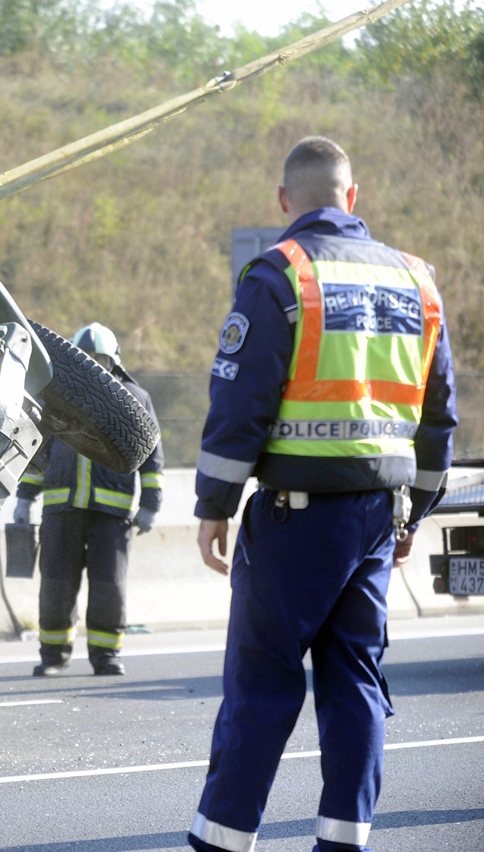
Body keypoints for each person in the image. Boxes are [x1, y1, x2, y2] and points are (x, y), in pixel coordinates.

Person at [187, 137, 457, 852]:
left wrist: (214, 502)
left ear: (285, 201)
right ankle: (344, 841)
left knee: (263, 685)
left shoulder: (282, 274)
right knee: (356, 684)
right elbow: (439, 416)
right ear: (353, 197)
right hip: (376, 519)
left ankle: (222, 841)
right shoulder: (417, 281)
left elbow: (241, 399)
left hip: (293, 518)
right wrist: (417, 510)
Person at [15, 323, 164, 677]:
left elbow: (152, 457)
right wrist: (24, 498)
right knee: (56, 585)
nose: (94, 365)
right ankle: (53, 656)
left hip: (112, 512)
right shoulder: (57, 397)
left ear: (113, 362)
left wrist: (150, 504)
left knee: (108, 586)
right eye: (89, 358)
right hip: (61, 508)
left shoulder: (136, 398)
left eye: (101, 359)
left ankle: (106, 656)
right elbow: (39, 450)